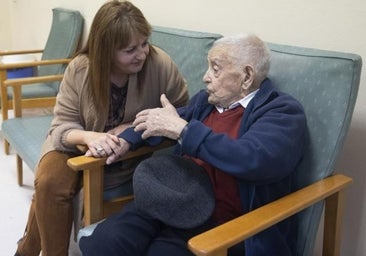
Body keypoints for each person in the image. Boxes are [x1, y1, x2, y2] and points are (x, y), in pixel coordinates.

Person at [79, 34, 307, 256]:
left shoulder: (282, 112)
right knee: (105, 242)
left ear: (246, 76)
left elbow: (253, 159)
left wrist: (183, 130)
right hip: (174, 197)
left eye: (215, 69)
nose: (206, 77)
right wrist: (126, 141)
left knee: (161, 251)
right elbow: (169, 122)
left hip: (222, 221)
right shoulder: (207, 101)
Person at [14, 1, 189, 256]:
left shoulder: (159, 64)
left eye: (144, 43)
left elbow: (182, 110)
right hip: (70, 145)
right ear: (106, 50)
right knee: (50, 183)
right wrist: (89, 136)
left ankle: (26, 251)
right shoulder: (80, 69)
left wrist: (132, 126)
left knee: (46, 191)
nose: (141, 53)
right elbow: (63, 126)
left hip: (120, 155)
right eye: (130, 49)